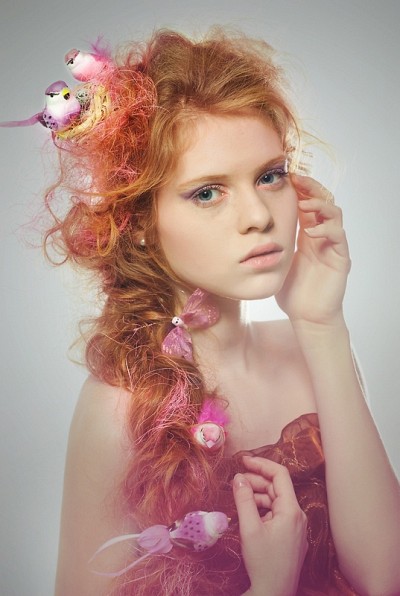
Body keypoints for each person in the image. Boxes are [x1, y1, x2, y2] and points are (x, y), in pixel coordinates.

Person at [18, 29, 398, 595]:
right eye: (207, 192)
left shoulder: (310, 347)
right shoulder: (119, 407)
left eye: (269, 176)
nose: (258, 216)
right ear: (139, 220)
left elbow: (386, 578)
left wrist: (322, 324)